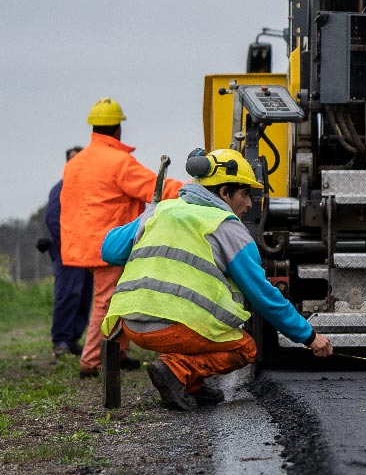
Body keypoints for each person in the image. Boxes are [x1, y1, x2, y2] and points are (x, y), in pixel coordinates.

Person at [100, 149, 333, 410]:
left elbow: (109, 250)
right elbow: (264, 296)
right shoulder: (226, 226)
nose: (249, 205)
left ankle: (194, 386)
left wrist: (146, 216)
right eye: (245, 194)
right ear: (224, 193)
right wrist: (309, 337)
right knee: (244, 348)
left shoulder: (162, 211)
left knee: (203, 329)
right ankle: (177, 369)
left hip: (132, 325)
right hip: (173, 329)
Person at [61, 99, 182, 377]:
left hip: (83, 242)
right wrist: (193, 191)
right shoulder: (118, 162)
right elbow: (156, 189)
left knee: (120, 296)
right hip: (110, 244)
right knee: (106, 301)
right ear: (117, 129)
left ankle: (119, 352)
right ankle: (91, 362)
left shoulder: (76, 163)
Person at [39, 147, 86, 360]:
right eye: (73, 160)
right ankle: (60, 341)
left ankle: (73, 338)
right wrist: (67, 244)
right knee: (67, 294)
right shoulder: (61, 188)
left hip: (85, 252)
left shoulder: (85, 188)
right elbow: (52, 219)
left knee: (83, 296)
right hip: (67, 252)